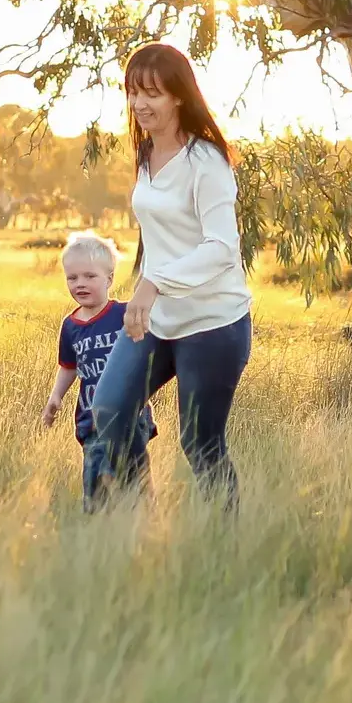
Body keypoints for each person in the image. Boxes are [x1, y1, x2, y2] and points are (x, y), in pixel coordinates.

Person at [86, 41, 253, 507]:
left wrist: (154, 283)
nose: (140, 104)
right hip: (156, 319)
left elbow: (222, 248)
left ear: (178, 96)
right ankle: (140, 510)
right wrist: (149, 287)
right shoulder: (145, 155)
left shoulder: (207, 161)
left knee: (200, 444)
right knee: (111, 408)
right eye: (133, 92)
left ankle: (227, 542)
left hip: (213, 322)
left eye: (152, 93)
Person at [40, 230, 153, 504]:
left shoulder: (123, 315)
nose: (80, 283)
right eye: (72, 277)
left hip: (130, 414)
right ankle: (98, 524)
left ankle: (143, 517)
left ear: (109, 279)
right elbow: (69, 366)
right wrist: (56, 396)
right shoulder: (70, 326)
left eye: (90, 276)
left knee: (134, 476)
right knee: (95, 477)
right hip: (91, 418)